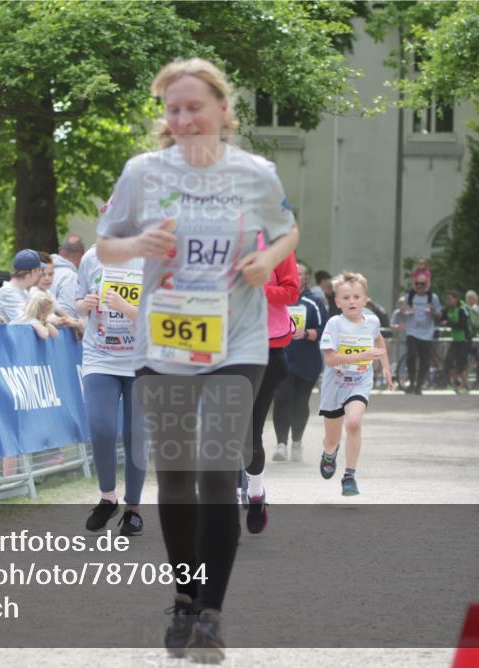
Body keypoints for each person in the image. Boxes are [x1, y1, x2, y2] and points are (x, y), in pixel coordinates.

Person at [94, 57, 299, 663]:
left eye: (194, 107)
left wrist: (267, 260)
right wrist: (136, 244)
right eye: (173, 109)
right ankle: (184, 599)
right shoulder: (143, 173)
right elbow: (107, 245)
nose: (183, 118)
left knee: (216, 473)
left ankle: (211, 612)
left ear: (221, 110)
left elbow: (288, 229)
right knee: (177, 475)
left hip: (237, 340)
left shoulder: (254, 173)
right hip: (165, 341)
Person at [75, 244, 147, 535]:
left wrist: (126, 308)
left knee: (137, 437)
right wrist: (86, 304)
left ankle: (133, 510)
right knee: (102, 429)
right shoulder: (92, 257)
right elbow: (76, 303)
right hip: (100, 357)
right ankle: (108, 498)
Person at [318, 272, 392, 496]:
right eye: (346, 297)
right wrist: (361, 355)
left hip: (359, 381)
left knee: (353, 423)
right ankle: (330, 453)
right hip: (335, 383)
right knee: (331, 438)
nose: (352, 301)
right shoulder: (335, 324)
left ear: (365, 299)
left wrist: (386, 366)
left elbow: (378, 338)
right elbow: (330, 359)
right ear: (337, 301)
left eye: (356, 296)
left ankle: (349, 476)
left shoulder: (372, 322)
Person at [244, 240, 298, 534]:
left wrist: (255, 288)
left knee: (249, 436)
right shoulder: (216, 240)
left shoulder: (278, 246)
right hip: (223, 347)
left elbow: (291, 292)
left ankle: (255, 495)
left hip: (267, 351)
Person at [272, 261, 327, 463]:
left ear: (306, 278)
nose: (296, 276)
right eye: (293, 272)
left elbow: (324, 330)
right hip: (282, 357)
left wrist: (306, 333)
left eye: (301, 273)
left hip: (306, 360)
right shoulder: (279, 297)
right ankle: (280, 444)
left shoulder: (314, 301)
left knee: (300, 402)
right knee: (281, 399)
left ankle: (296, 442)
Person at [398, 271, 442, 394]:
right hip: (412, 331)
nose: (419, 286)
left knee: (425, 359)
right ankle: (411, 382)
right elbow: (402, 311)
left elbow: (439, 315)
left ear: (427, 284)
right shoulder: (409, 296)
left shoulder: (433, 297)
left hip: (427, 333)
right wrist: (404, 311)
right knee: (411, 355)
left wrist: (432, 311)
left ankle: (419, 385)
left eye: (422, 284)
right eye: (417, 284)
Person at [0, 249, 43, 323]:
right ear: (33, 271)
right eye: (40, 270)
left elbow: (36, 317)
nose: (41, 273)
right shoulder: (7, 291)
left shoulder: (24, 292)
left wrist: (53, 320)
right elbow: (25, 321)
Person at [441, 290, 471, 393]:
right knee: (448, 361)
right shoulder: (448, 309)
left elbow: (461, 325)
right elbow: (441, 317)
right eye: (447, 299)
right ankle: (455, 382)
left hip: (465, 339)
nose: (448, 301)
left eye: (450, 299)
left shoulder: (462, 309)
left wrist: (448, 323)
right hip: (456, 340)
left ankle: (465, 385)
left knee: (461, 363)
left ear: (456, 299)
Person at [51, 233, 84, 316]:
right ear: (83, 255)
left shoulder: (41, 271)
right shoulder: (70, 277)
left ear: (59, 249)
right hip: (60, 327)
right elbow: (68, 313)